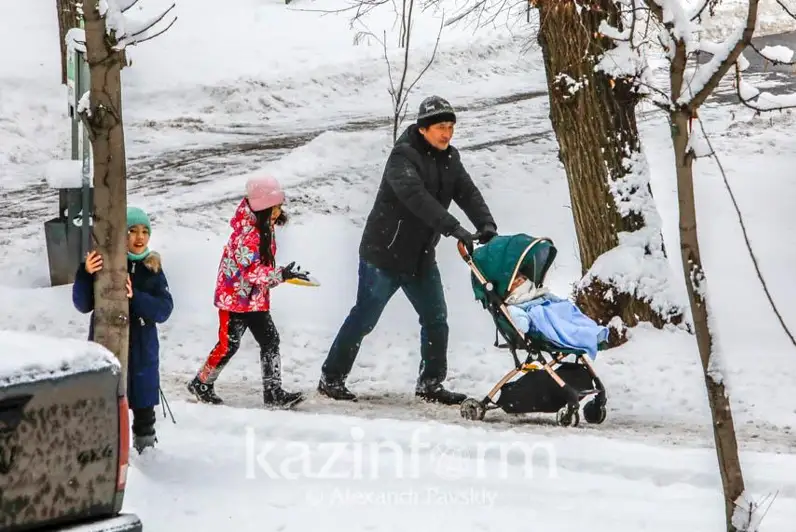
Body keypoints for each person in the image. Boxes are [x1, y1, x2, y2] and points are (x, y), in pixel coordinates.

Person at [318, 95, 498, 404]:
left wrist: (486, 224)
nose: (447, 134)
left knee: (436, 319)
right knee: (364, 318)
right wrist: (454, 228)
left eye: (451, 127)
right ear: (423, 128)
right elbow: (416, 198)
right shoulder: (402, 157)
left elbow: (467, 192)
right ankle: (331, 377)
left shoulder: (450, 159)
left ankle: (430, 383)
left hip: (420, 257)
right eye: (441, 127)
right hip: (383, 255)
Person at [187, 175, 309, 408]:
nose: (278, 212)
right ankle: (201, 382)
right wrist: (280, 275)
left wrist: (280, 276)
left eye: (279, 206)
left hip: (255, 299)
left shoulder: (264, 227)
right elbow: (252, 272)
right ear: (262, 207)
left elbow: (261, 270)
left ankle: (273, 393)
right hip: (234, 299)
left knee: (270, 340)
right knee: (228, 345)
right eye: (274, 207)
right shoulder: (247, 235)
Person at [72, 206, 174, 454]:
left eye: (144, 231)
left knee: (143, 406)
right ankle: (108, 453)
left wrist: (135, 297)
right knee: (108, 402)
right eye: (132, 231)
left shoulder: (152, 268)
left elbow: (164, 309)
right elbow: (83, 304)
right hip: (107, 343)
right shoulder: (105, 263)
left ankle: (145, 451)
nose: (139, 237)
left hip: (142, 349)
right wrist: (85, 273)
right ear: (121, 234)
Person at [505, 274, 609, 360]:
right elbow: (523, 326)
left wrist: (564, 306)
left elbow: (559, 302)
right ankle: (587, 336)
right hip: (544, 325)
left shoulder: (540, 293)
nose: (519, 282)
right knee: (542, 313)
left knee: (568, 311)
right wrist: (520, 318)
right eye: (514, 282)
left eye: (521, 279)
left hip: (557, 312)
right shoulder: (514, 306)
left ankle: (591, 329)